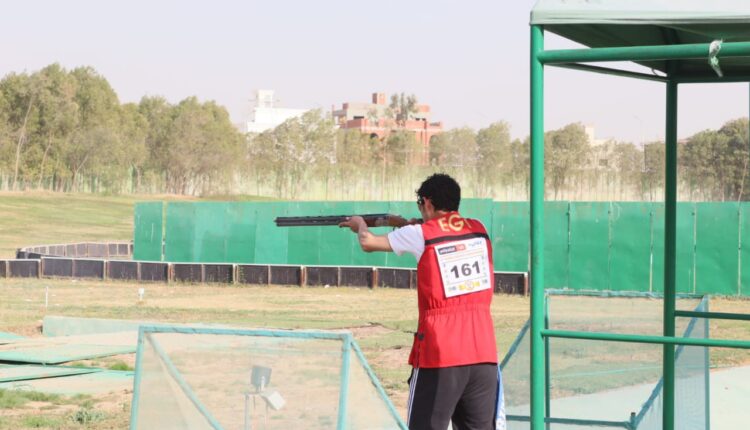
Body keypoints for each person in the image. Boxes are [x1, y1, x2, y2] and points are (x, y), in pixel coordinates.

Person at [339, 173, 500, 430]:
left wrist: (359, 224)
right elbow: (446, 234)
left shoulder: (420, 234)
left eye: (420, 205)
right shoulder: (478, 228)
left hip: (440, 351)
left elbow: (368, 243)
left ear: (427, 202)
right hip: (483, 351)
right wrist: (408, 225)